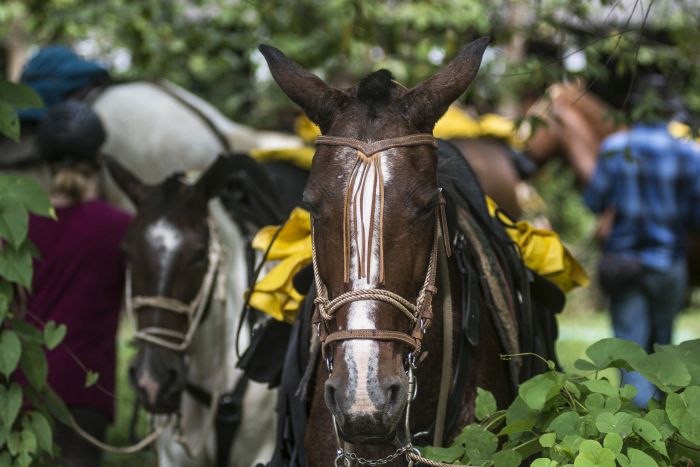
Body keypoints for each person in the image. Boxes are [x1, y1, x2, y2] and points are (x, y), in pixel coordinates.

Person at [25, 100, 131, 467]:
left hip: (20, 387)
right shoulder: (120, 227)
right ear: (98, 163)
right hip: (87, 393)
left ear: (45, 165)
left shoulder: (15, 227)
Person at [584, 74, 700, 406]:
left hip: (624, 262)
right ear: (668, 112)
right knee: (664, 348)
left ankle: (633, 431)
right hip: (668, 262)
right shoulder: (688, 152)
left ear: (636, 109)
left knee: (630, 350)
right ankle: (669, 423)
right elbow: (696, 215)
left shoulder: (614, 148)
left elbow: (593, 202)